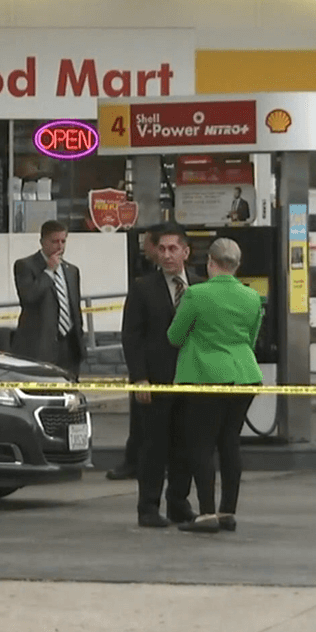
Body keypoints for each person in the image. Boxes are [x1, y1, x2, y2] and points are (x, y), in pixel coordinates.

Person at [167, 237, 265, 534]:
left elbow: (175, 336)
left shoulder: (196, 294)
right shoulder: (251, 297)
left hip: (203, 374)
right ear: (237, 265)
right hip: (244, 374)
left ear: (210, 262)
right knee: (230, 443)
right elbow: (252, 337)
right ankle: (228, 511)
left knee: (201, 445)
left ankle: (207, 512)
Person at [121, 222, 198, 528]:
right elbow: (132, 336)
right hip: (155, 379)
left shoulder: (200, 288)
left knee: (185, 445)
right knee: (154, 446)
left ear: (186, 252)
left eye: (173, 249)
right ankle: (148, 508)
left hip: (192, 379)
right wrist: (139, 377)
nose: (167, 255)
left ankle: (179, 503)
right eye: (162, 249)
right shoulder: (143, 289)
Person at [107, 225, 161, 481]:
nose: (144, 249)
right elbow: (131, 334)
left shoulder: (195, 286)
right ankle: (135, 463)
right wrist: (139, 374)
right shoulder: (142, 283)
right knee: (142, 422)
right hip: (148, 368)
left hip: (182, 370)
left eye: (148, 243)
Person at [10, 220, 85, 378]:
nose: (60, 247)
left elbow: (75, 308)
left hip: (69, 345)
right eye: (54, 241)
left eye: (63, 241)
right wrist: (48, 271)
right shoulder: (25, 266)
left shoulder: (72, 271)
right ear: (42, 242)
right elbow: (28, 298)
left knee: (69, 392)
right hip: (40, 345)